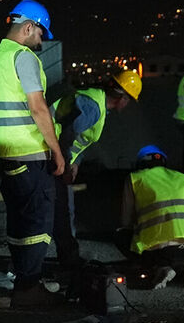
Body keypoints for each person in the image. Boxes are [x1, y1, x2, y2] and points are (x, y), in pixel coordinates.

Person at [0, 0, 68, 308]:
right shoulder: (24, 57)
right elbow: (38, 108)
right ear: (28, 27)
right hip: (29, 154)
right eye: (41, 32)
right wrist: (57, 151)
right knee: (37, 221)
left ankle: (24, 280)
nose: (42, 39)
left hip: (4, 153)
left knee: (19, 220)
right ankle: (29, 288)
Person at [51, 70, 142, 273]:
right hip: (52, 158)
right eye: (129, 100)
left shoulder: (96, 103)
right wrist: (64, 164)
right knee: (64, 209)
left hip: (56, 158)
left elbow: (79, 138)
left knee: (60, 208)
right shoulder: (92, 107)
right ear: (122, 98)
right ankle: (68, 260)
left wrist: (76, 162)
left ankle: (65, 256)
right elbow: (67, 134)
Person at [119, 145, 184, 288]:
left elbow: (126, 222)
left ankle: (157, 267)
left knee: (121, 235)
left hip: (160, 252)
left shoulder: (135, 178)